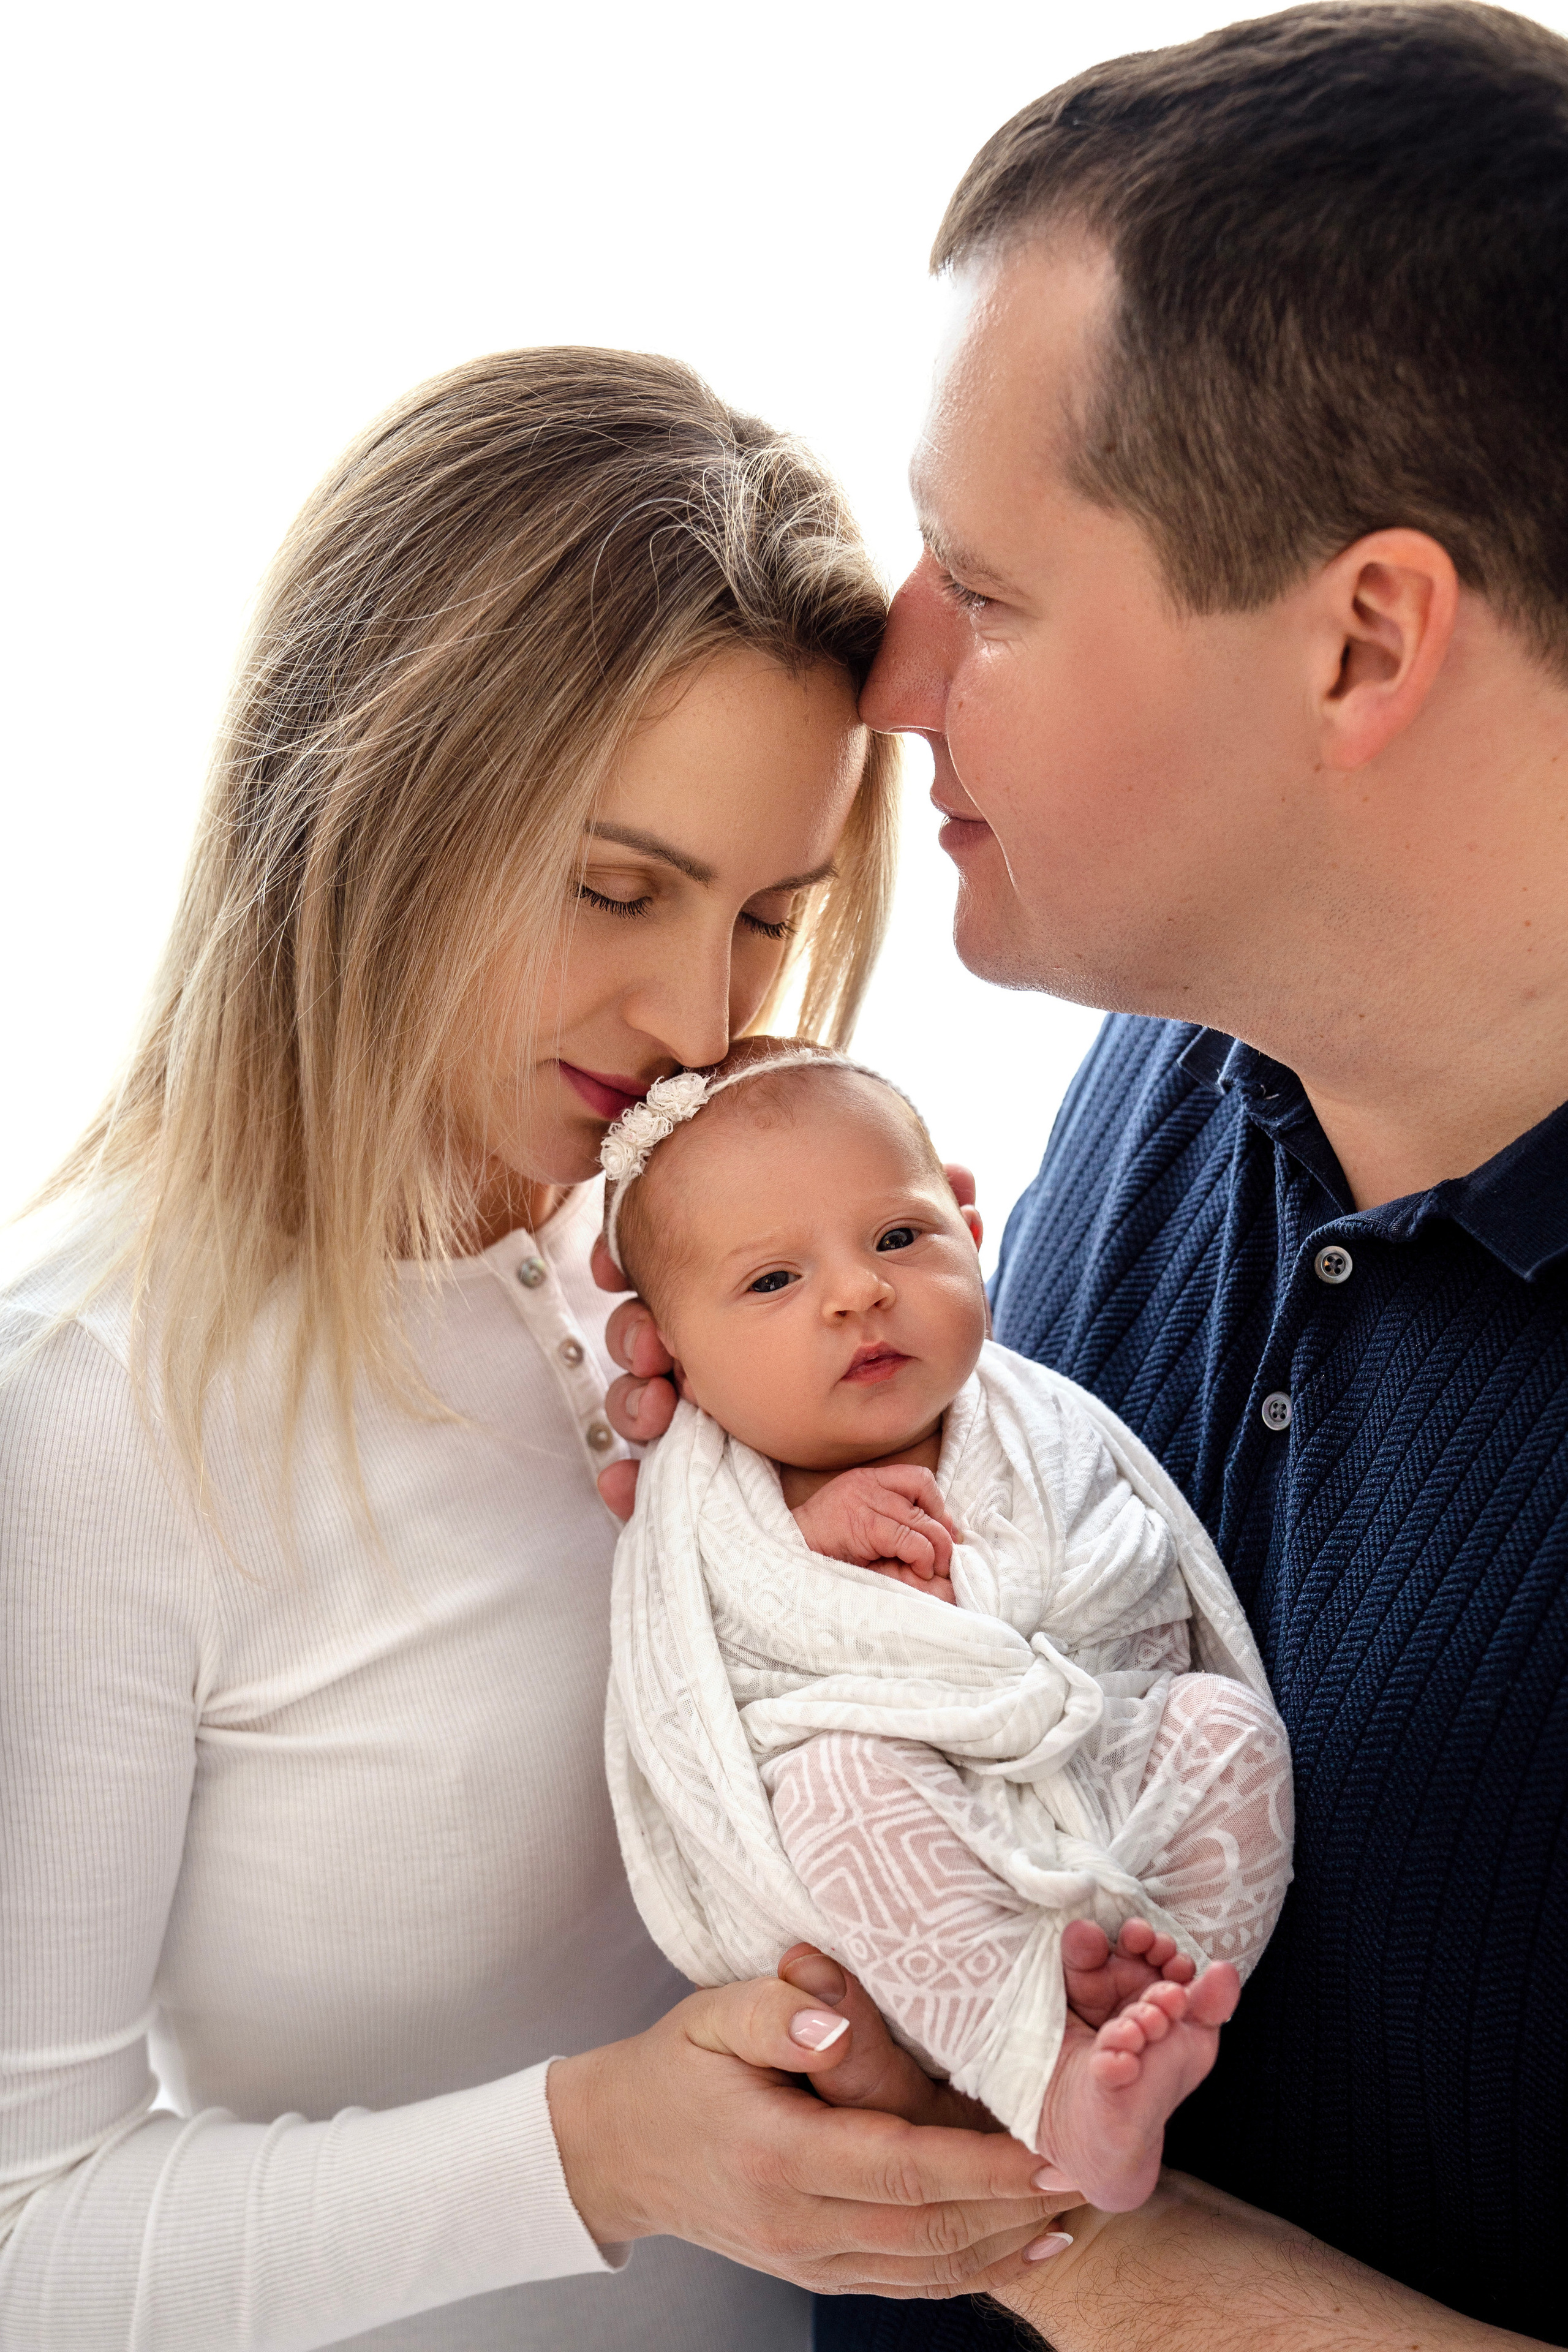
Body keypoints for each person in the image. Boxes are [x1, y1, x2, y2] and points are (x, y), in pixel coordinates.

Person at [597, 6, 1568, 2346]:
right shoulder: (1154, 1057)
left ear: (1363, 641)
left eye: (985, 585)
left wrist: (1078, 2239)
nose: (892, 672)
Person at [0, 350, 1061, 2350]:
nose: (689, 1015)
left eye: (766, 918)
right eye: (613, 887)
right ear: (375, 793)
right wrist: (603, 2156)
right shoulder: (85, 1416)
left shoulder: (675, 1297)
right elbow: (15, 2243)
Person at [597, 1039, 1292, 2212]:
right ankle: (1045, 2069)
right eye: (772, 1283)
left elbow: (1126, 1578)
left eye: (897, 1239)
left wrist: (1014, 1596)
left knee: (1224, 1723)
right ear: (680, 1364)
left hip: (1102, 1784)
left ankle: (1156, 1989)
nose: (856, 1293)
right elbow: (725, 1674)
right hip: (913, 1904)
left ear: (967, 1226)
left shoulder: (1040, 1420)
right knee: (834, 1788)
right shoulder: (721, 1510)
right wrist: (809, 1543)